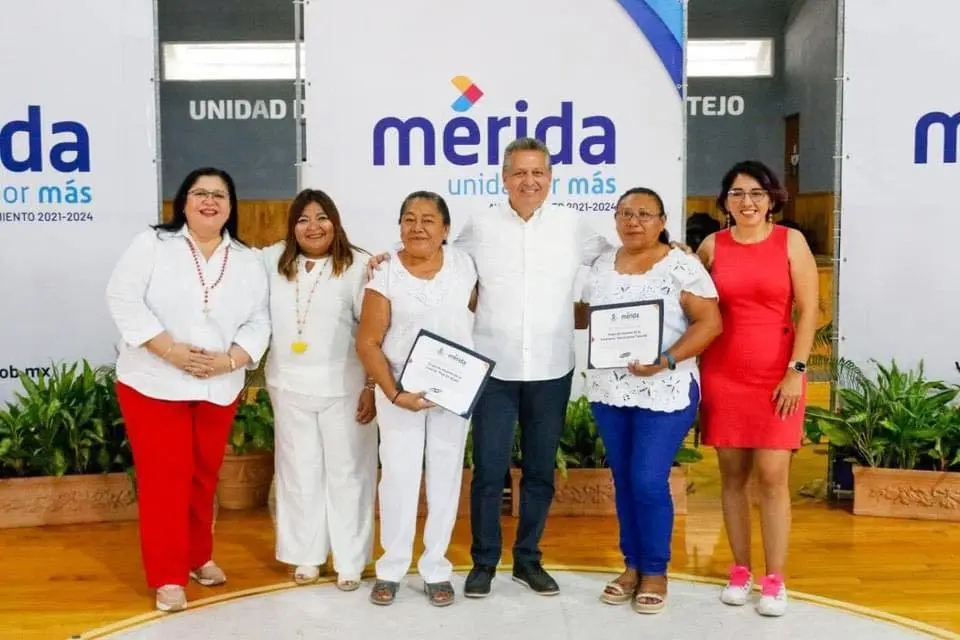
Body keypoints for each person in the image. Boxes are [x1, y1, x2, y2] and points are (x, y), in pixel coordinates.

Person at [367, 138, 613, 597]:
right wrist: (385, 258)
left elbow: (616, 257)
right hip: (491, 370)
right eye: (519, 172)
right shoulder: (479, 226)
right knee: (488, 470)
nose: (529, 181)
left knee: (539, 471)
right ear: (503, 177)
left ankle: (527, 560)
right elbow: (433, 255)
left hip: (552, 366)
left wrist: (666, 246)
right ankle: (483, 562)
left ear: (550, 177)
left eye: (537, 172)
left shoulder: (573, 225)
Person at [105, 167, 270, 612]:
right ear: (183, 201)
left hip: (218, 385)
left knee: (202, 478)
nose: (209, 201)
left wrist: (231, 359)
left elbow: (259, 321)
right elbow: (122, 299)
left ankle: (198, 557)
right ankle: (167, 577)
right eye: (200, 193)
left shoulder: (249, 260)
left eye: (220, 195)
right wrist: (169, 350)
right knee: (165, 482)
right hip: (154, 382)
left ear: (231, 207)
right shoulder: (152, 245)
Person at [577, 187, 722, 614]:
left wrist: (665, 360)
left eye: (644, 214)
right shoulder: (603, 264)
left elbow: (710, 323)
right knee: (623, 479)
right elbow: (589, 315)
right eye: (625, 213)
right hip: (611, 389)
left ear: (662, 221)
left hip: (666, 387)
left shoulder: (680, 265)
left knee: (646, 478)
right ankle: (632, 565)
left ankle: (656, 569)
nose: (633, 221)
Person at [697, 160, 818, 617]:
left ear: (771, 199)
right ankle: (740, 570)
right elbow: (692, 302)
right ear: (725, 201)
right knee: (732, 477)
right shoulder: (712, 245)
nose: (747, 202)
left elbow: (808, 311)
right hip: (723, 374)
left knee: (772, 477)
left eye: (756, 193)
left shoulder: (792, 242)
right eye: (737, 193)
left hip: (778, 375)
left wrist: (797, 370)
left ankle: (774, 579)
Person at [356, 191, 478, 607]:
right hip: (399, 391)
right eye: (409, 218)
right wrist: (391, 393)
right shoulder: (386, 271)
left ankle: (435, 566)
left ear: (445, 230)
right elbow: (368, 341)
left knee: (445, 477)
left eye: (428, 219)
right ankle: (391, 566)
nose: (418, 227)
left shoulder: (465, 264)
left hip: (453, 394)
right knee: (399, 478)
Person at [262, 189, 378, 591]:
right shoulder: (271, 262)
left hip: (345, 387)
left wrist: (370, 386)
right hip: (288, 385)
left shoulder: (361, 265)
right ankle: (306, 555)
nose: (313, 227)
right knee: (298, 472)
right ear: (292, 226)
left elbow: (374, 331)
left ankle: (350, 560)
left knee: (349, 474)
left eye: (322, 217)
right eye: (303, 219)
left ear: (337, 221)